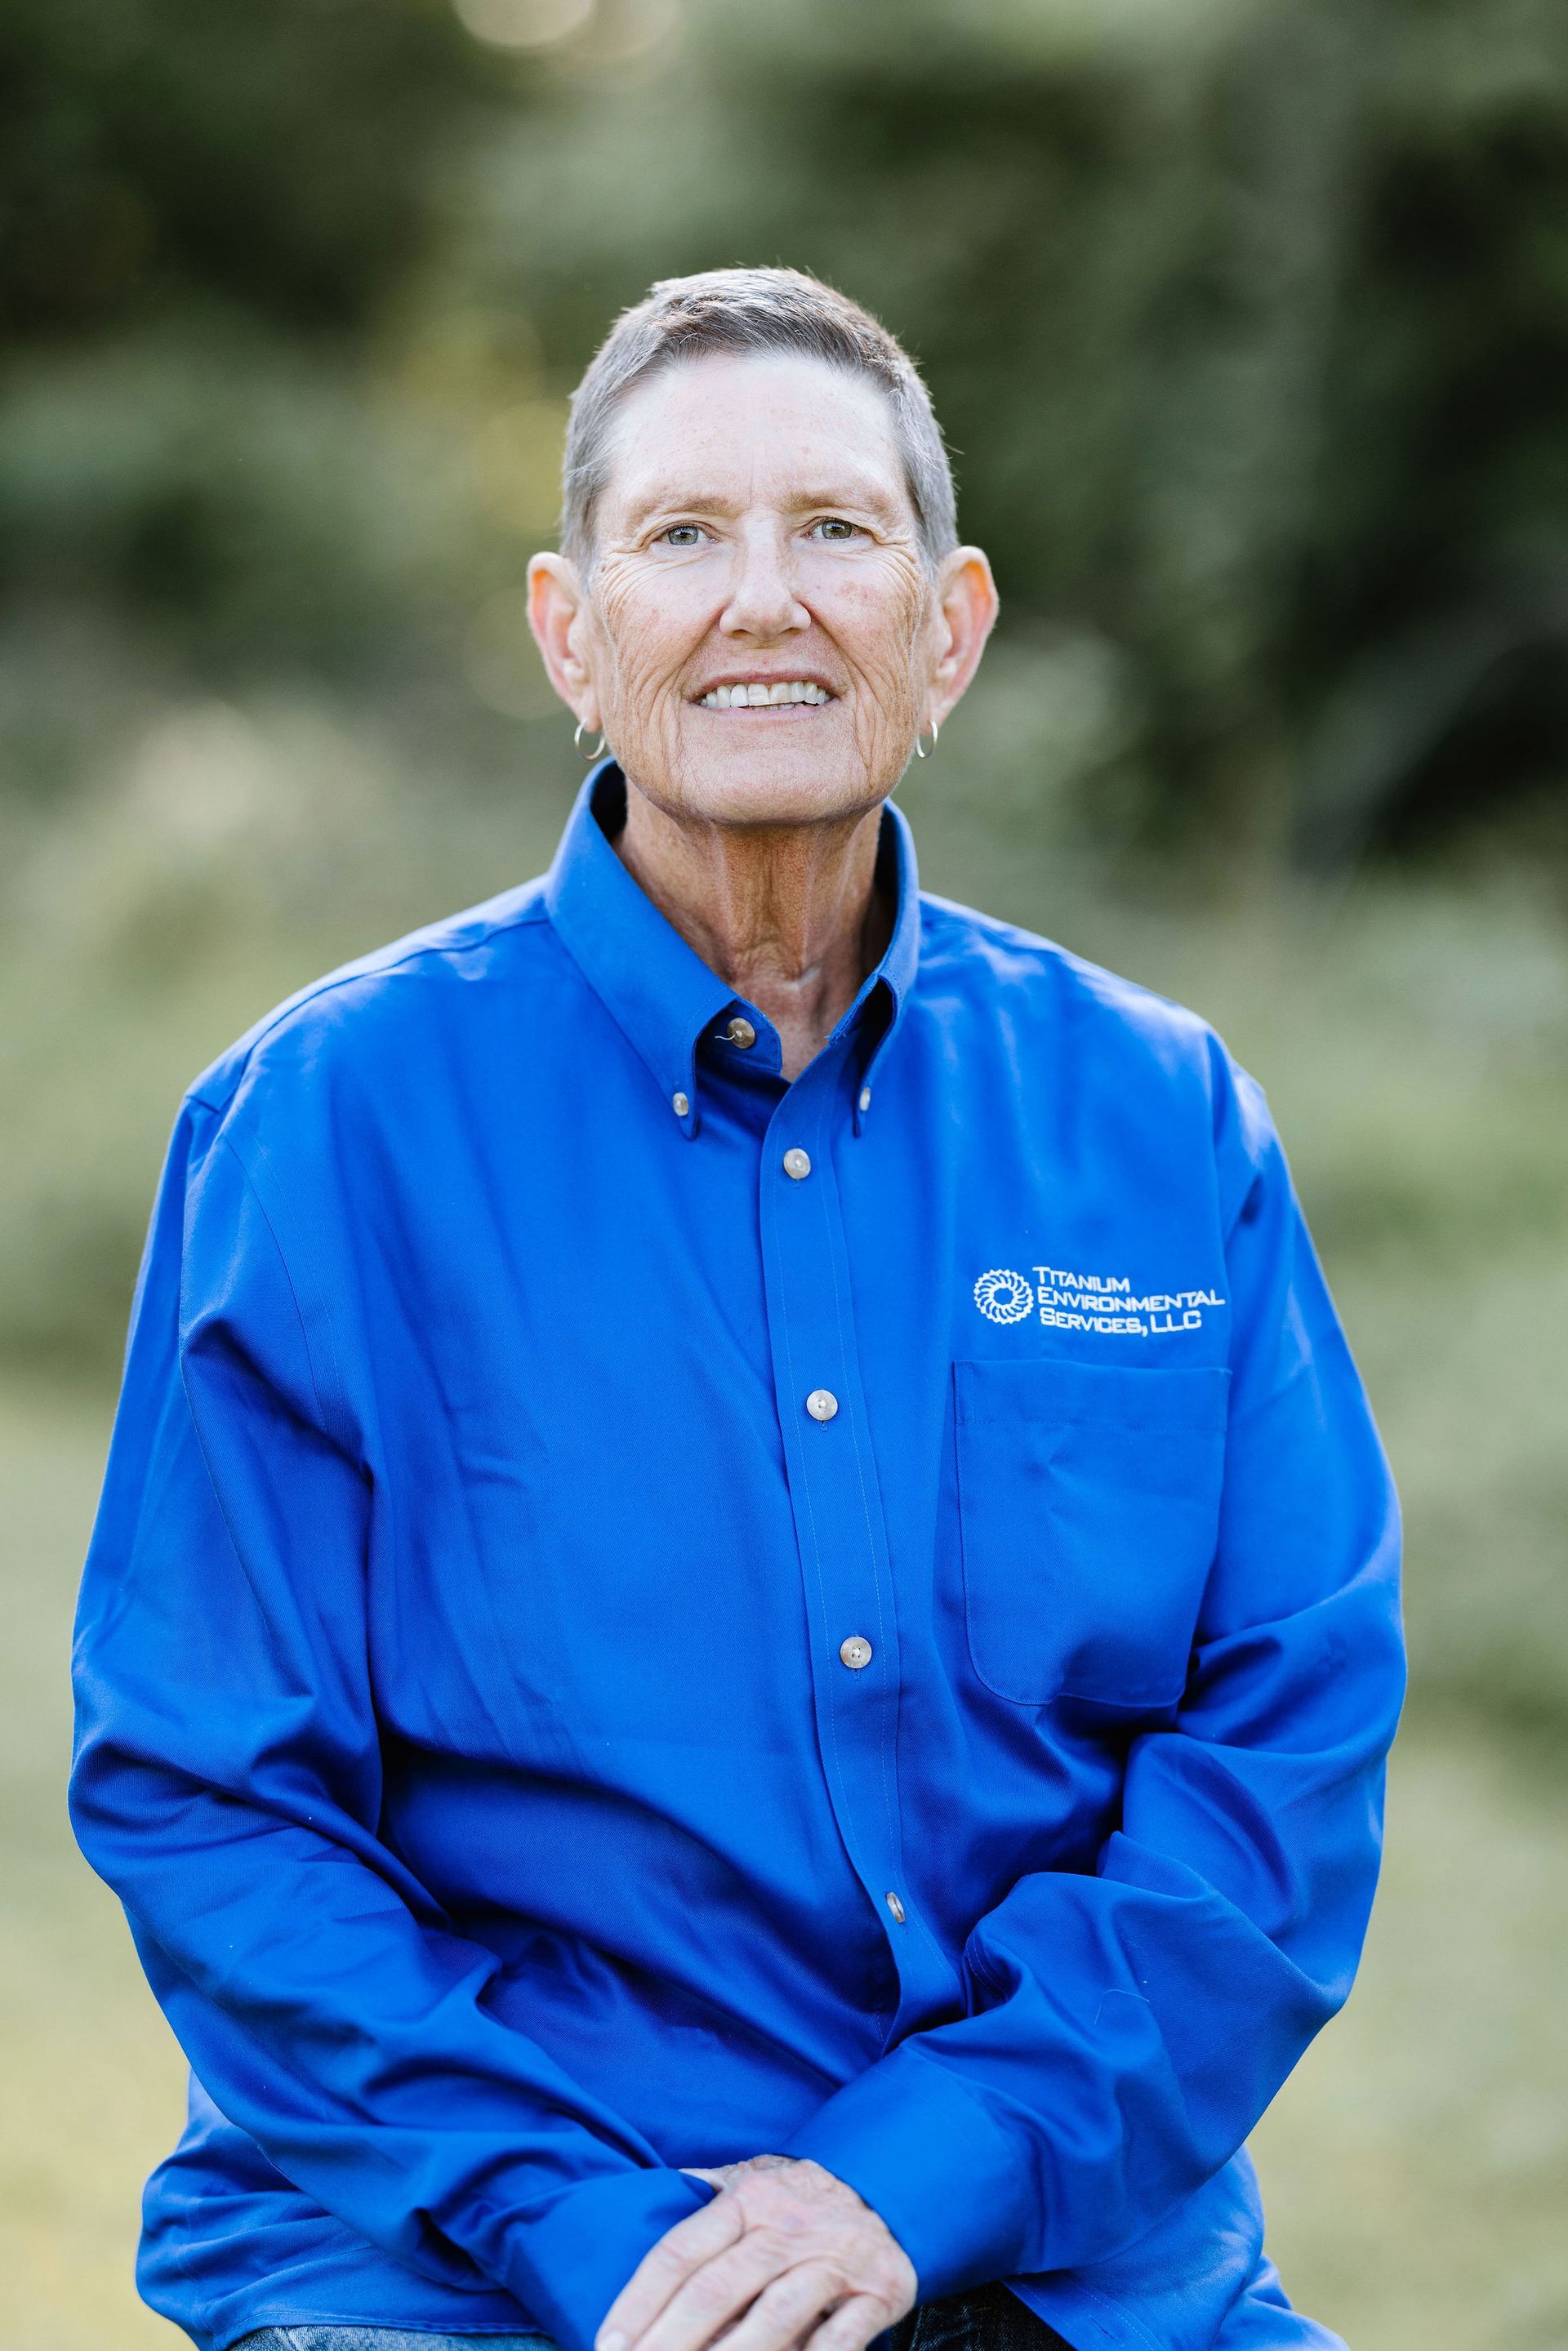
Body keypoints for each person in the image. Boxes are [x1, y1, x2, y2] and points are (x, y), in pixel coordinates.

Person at [70, 267, 1404, 2351]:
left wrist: (924, 2175)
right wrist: (599, 2239)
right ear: (569, 633)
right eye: (683, 538)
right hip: (473, 2264)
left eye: (836, 533)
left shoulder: (1159, 1115)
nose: (763, 601)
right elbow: (208, 1793)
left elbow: (1287, 1741)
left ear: (947, 628)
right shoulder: (324, 1128)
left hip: (1053, 2252)